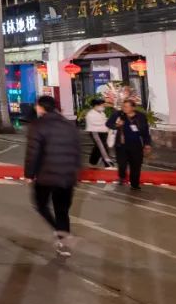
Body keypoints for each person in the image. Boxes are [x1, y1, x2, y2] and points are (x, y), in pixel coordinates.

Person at [24, 95, 81, 257]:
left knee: (41, 204)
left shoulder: (38, 125)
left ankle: (59, 231)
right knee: (62, 210)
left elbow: (33, 152)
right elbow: (77, 151)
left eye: (37, 106)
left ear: (41, 107)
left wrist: (29, 174)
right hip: (67, 176)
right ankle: (64, 243)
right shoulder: (69, 125)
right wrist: (76, 171)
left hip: (46, 176)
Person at [108, 99, 152, 190]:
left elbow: (145, 131)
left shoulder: (140, 116)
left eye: (127, 107)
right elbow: (108, 124)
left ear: (133, 108)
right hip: (121, 144)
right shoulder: (118, 114)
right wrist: (117, 125)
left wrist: (147, 143)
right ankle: (122, 176)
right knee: (122, 164)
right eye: (123, 106)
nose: (124, 108)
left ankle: (134, 184)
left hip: (136, 144)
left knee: (136, 165)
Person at [84, 98, 114, 169]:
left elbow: (105, 121)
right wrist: (110, 123)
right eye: (102, 105)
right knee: (102, 147)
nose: (104, 106)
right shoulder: (91, 114)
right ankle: (108, 164)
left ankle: (93, 162)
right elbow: (101, 123)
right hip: (96, 132)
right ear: (96, 105)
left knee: (98, 147)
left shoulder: (101, 113)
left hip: (102, 132)